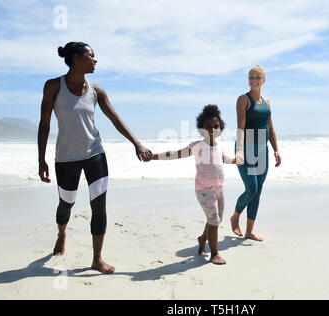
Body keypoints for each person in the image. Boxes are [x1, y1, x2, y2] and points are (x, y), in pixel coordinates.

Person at [37, 41, 152, 274]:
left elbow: (115, 119)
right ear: (77, 58)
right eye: (91, 56)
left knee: (99, 208)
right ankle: (62, 233)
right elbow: (44, 123)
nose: (95, 60)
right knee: (66, 204)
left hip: (95, 154)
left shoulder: (97, 90)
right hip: (66, 157)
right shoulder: (53, 86)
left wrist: (137, 144)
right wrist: (41, 159)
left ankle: (97, 259)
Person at [150, 105, 235, 265]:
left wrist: (236, 161)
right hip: (203, 190)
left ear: (221, 128)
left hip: (219, 187)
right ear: (201, 128)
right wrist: (154, 156)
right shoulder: (197, 146)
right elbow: (175, 154)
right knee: (214, 220)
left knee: (217, 218)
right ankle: (214, 253)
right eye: (208, 126)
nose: (211, 130)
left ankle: (202, 239)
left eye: (215, 126)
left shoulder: (219, 146)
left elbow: (223, 159)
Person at [230, 65, 282, 241]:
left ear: (264, 80)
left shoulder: (267, 102)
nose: (253, 80)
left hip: (262, 149)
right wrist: (239, 151)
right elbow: (240, 127)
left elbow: (271, 128)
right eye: (251, 77)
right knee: (251, 188)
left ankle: (249, 231)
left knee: (258, 190)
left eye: (257, 78)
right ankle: (235, 216)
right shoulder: (243, 100)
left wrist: (276, 150)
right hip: (246, 148)